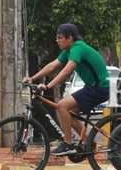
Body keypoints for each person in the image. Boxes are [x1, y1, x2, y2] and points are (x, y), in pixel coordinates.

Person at [25, 23, 109, 156]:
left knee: (62, 106)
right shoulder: (69, 50)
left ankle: (68, 143)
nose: (57, 40)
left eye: (60, 37)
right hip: (92, 87)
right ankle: (89, 143)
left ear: (70, 38)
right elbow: (52, 65)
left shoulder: (78, 48)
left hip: (99, 88)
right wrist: (32, 78)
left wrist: (48, 86)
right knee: (69, 113)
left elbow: (66, 71)